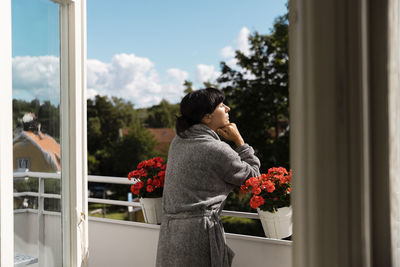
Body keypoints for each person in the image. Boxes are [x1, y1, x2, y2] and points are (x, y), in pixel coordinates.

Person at [156, 88, 260, 267]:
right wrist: (240, 142)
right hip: (199, 234)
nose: (227, 108)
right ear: (206, 117)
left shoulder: (178, 141)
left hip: (170, 233)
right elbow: (253, 177)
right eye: (221, 105)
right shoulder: (216, 149)